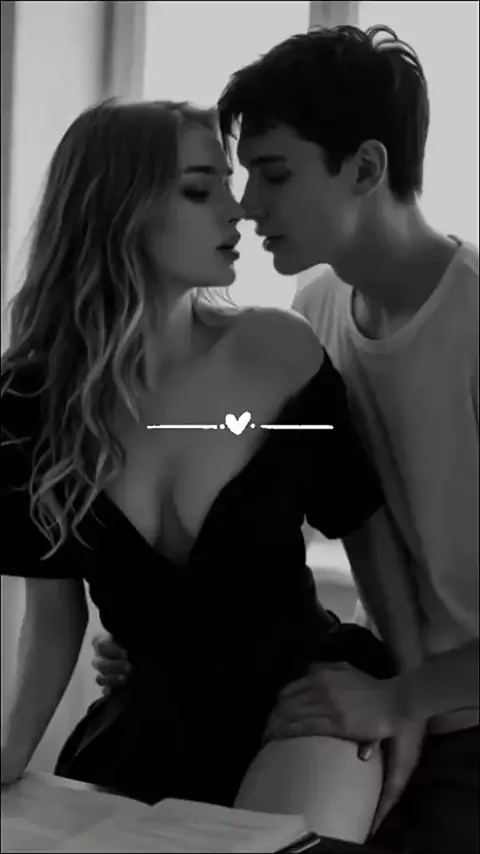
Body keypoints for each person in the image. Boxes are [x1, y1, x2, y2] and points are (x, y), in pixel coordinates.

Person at [92, 24, 479, 853]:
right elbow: (287, 511)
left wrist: (402, 701)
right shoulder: (315, 310)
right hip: (378, 695)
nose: (247, 207)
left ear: (366, 168)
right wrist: (172, 630)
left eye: (273, 175)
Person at [0, 96, 423, 844]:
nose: (238, 211)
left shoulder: (279, 349)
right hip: (144, 721)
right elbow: (53, 617)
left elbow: (370, 537)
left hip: (303, 702)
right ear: (117, 210)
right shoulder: (28, 402)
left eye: (229, 184)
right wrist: (7, 757)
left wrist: (409, 704)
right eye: (201, 190)